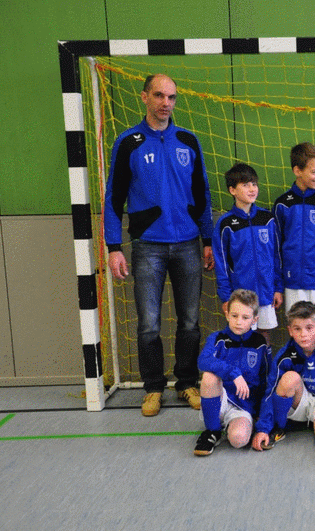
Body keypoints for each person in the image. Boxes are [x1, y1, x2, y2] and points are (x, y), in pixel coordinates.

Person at [104, 73, 214, 417]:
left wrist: (208, 240)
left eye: (172, 97)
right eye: (159, 95)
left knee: (190, 322)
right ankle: (153, 388)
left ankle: (186, 383)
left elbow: (202, 195)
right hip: (147, 246)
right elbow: (113, 198)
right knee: (148, 323)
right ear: (144, 97)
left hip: (188, 244)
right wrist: (113, 246)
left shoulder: (188, 140)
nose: (166, 103)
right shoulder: (128, 142)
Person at [252, 301, 315, 451]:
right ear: (290, 331)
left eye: (309, 328)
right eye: (297, 329)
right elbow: (270, 390)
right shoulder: (286, 355)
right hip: (300, 399)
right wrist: (263, 428)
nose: (303, 334)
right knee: (290, 378)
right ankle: (279, 426)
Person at [273, 142, 315, 338]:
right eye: (314, 171)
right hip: (293, 278)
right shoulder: (282, 204)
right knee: (299, 329)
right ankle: (298, 369)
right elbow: (277, 245)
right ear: (297, 170)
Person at [193, 289, 270, 456]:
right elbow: (203, 361)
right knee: (209, 377)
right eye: (234, 316)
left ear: (254, 320)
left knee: (239, 440)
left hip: (243, 405)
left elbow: (266, 380)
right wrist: (233, 373)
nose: (239, 322)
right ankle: (212, 431)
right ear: (227, 314)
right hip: (220, 397)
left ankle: (231, 426)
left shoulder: (260, 343)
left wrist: (261, 415)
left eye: (245, 317)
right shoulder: (217, 338)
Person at [213, 163, 283, 343]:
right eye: (245, 185)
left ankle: (265, 370)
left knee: (264, 337)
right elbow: (221, 264)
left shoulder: (267, 219)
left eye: (254, 184)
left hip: (266, 292)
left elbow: (276, 256)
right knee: (243, 338)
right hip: (240, 296)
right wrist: (226, 296)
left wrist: (277, 288)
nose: (252, 189)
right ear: (232, 190)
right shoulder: (226, 224)